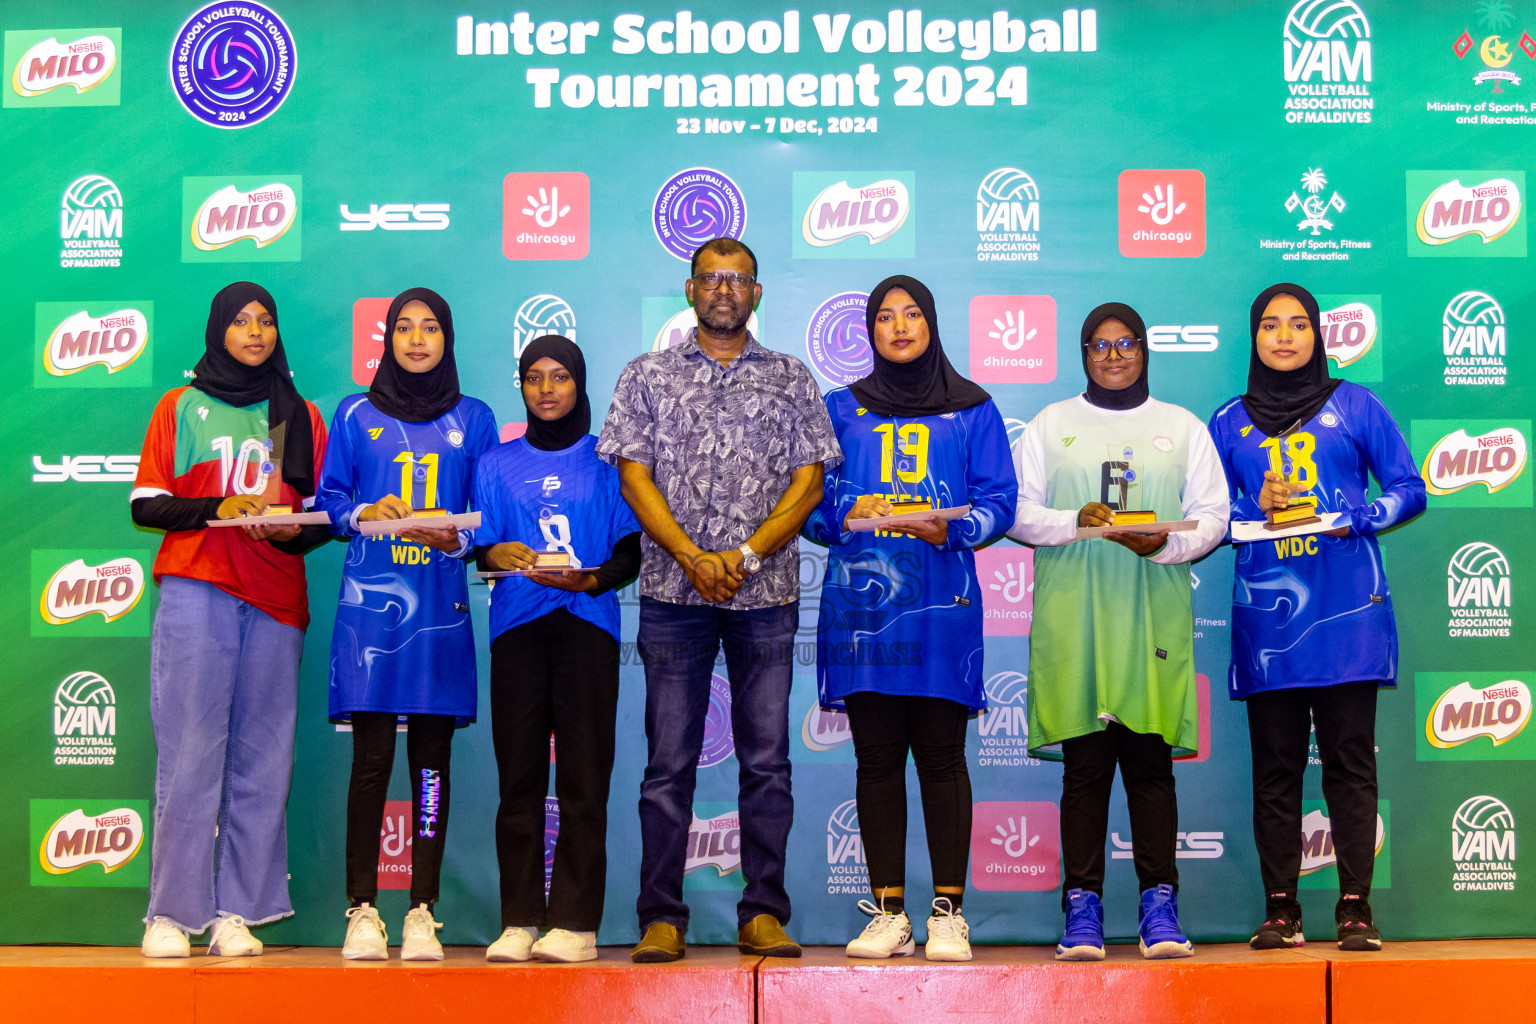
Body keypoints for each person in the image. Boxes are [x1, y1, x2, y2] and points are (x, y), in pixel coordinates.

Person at [597, 237, 842, 963]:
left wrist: (742, 556)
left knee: (766, 761)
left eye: (737, 279)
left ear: (758, 293)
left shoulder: (792, 378)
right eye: (711, 279)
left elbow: (810, 483)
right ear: (689, 289)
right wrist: (691, 556)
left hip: (763, 594)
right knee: (668, 763)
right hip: (675, 593)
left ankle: (762, 910)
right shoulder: (646, 376)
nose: (724, 290)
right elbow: (634, 478)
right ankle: (662, 917)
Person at [803, 276, 1016, 962]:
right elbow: (806, 503)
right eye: (885, 317)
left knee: (944, 759)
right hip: (864, 610)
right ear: (869, 331)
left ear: (931, 323)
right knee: (875, 761)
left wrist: (952, 529)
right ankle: (889, 913)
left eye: (912, 314)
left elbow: (999, 501)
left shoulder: (973, 408)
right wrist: (843, 514)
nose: (899, 327)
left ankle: (949, 914)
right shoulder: (840, 408)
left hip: (941, 607)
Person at [1007, 302, 1228, 962]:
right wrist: (1079, 520)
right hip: (1076, 621)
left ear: (1145, 350)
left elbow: (1213, 516)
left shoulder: (1180, 427)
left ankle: (1159, 906)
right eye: (1099, 345)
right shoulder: (1052, 424)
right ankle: (1082, 907)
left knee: (1151, 767)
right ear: (1083, 353)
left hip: (1150, 616)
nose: (1113, 355)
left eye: (1125, 343)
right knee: (1084, 771)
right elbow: (1015, 513)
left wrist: (1162, 546)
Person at [1208, 283, 1424, 953]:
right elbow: (1211, 521)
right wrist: (1254, 514)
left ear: (1316, 336)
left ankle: (1355, 908)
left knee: (1350, 765)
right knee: (1274, 770)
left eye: (1298, 324)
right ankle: (1281, 910)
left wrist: (1363, 517)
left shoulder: (1355, 403)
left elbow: (1408, 489)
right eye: (1270, 325)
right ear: (1254, 338)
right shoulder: (1227, 422)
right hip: (1267, 628)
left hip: (1347, 617)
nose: (1283, 336)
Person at [130, 282, 330, 958]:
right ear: (219, 330)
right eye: (241, 321)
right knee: (190, 751)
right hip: (199, 586)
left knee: (264, 758)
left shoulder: (298, 414)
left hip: (277, 596)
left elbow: (313, 522)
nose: (255, 331)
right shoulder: (181, 406)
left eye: (266, 321)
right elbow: (148, 504)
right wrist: (223, 507)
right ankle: (171, 914)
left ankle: (237, 913)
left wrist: (283, 530)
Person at [314, 288, 497, 961]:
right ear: (386, 339)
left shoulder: (475, 418)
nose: (417, 340)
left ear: (447, 339)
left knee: (431, 767)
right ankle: (362, 909)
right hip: (370, 613)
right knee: (370, 762)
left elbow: (488, 516)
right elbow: (328, 499)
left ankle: (421, 909)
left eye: (430, 329)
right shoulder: (353, 412)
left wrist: (463, 540)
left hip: (441, 614)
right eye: (404, 329)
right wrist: (365, 510)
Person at [475, 335, 641, 964]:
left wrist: (592, 578)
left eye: (560, 377)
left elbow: (631, 550)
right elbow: (480, 544)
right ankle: (518, 919)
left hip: (586, 628)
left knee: (582, 779)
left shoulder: (610, 462)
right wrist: (493, 554)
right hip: (516, 628)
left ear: (579, 384)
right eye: (534, 378)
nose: (546, 389)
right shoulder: (493, 464)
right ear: (520, 386)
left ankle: (574, 923)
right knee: (517, 778)